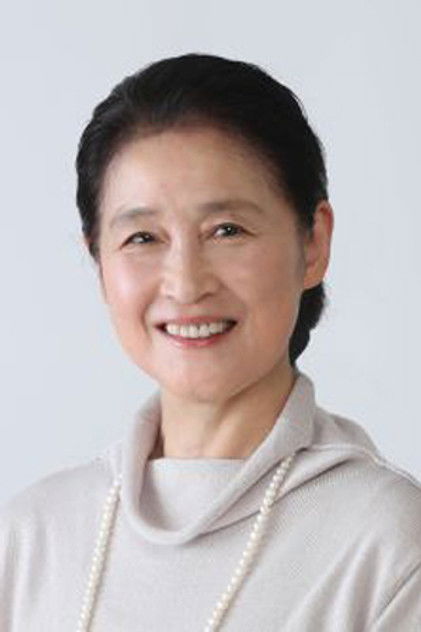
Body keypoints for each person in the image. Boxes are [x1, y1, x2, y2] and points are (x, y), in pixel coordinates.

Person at [1, 53, 420, 632]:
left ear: (313, 244)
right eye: (142, 237)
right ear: (98, 262)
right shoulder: (33, 537)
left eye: (227, 230)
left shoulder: (386, 545)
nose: (185, 283)